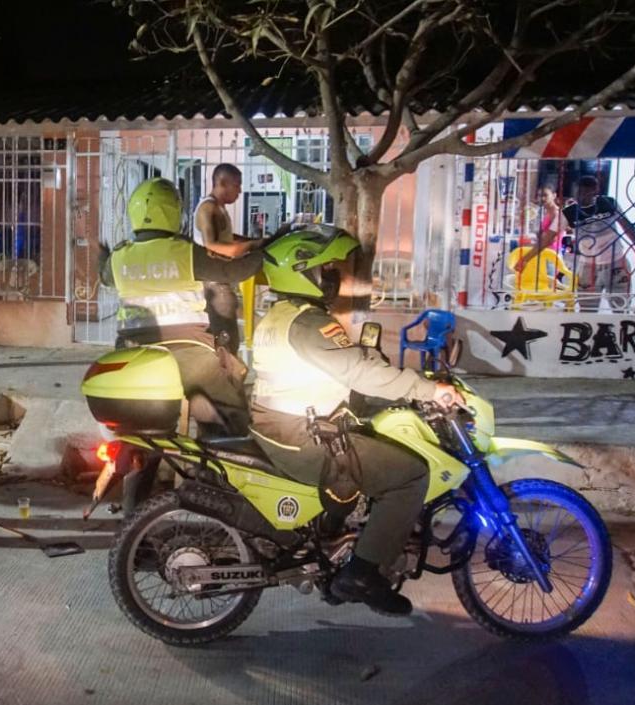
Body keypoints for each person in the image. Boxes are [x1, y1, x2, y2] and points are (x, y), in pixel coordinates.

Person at [249, 226, 463, 616]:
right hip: (304, 435)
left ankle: (336, 545)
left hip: (283, 427)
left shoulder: (279, 317)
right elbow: (361, 373)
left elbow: (340, 370)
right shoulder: (309, 323)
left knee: (369, 444)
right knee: (410, 475)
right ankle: (363, 574)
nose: (333, 276)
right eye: (325, 269)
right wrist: (429, 390)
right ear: (302, 272)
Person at [99, 177, 262, 436]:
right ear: (174, 212)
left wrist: (102, 253)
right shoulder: (186, 252)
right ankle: (218, 453)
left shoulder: (118, 258)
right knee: (229, 418)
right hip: (188, 351)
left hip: (133, 352)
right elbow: (234, 271)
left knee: (141, 430)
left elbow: (104, 276)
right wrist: (263, 252)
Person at [561, 175, 635, 311]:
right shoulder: (569, 212)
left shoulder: (609, 203)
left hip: (616, 262)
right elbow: (550, 235)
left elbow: (627, 226)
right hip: (588, 265)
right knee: (587, 309)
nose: (581, 197)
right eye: (578, 193)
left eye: (585, 193)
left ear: (595, 191)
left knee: (621, 307)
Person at [193, 164, 247, 353]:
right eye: (237, 185)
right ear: (222, 183)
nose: (240, 191)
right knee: (226, 341)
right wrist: (248, 247)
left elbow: (228, 238)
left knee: (228, 338)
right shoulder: (209, 208)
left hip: (220, 280)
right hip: (215, 283)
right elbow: (212, 245)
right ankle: (226, 371)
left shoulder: (219, 207)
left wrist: (255, 241)